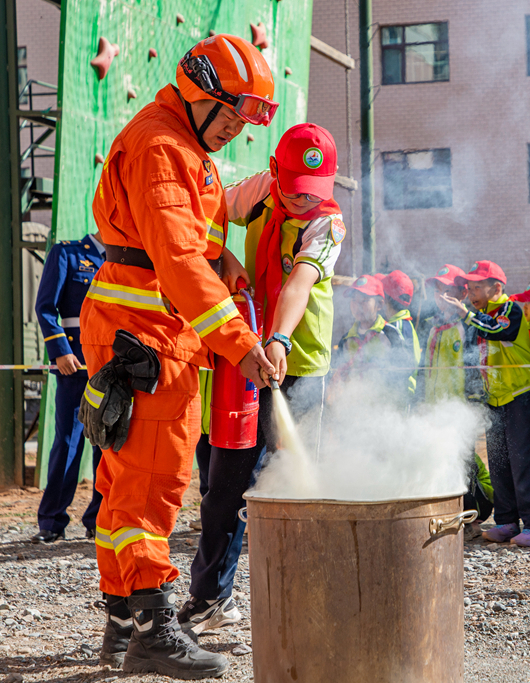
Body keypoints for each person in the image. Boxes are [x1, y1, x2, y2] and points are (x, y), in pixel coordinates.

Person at [80, 35, 278, 678]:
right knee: (153, 485)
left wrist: (226, 262)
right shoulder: (165, 146)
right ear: (198, 92)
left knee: (120, 484)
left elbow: (187, 241)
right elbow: (176, 260)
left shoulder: (180, 141)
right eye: (228, 115)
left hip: (139, 331)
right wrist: (240, 344)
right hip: (147, 338)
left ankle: (119, 622)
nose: (232, 131)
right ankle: (153, 631)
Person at [181, 123, 345, 632]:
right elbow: (204, 214)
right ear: (274, 171)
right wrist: (222, 256)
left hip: (298, 362)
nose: (302, 201)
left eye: (313, 193)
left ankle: (303, 602)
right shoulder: (257, 192)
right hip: (240, 352)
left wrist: (279, 338)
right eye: (293, 189)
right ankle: (210, 597)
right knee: (224, 481)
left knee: (290, 485)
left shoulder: (329, 223)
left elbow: (299, 283)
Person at [440, 261, 530, 547]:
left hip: (520, 393)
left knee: (524, 461)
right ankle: (507, 521)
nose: (471, 292)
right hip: (494, 397)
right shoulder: (479, 315)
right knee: (499, 462)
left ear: (497, 287)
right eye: (470, 287)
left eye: (477, 286)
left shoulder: (510, 309)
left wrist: (467, 314)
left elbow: (502, 332)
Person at [32, 232, 106, 544]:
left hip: (110, 363)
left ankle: (100, 520)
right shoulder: (68, 253)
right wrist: (59, 350)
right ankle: (52, 521)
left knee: (106, 444)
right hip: (74, 362)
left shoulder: (125, 258)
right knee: (67, 442)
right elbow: (46, 307)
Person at [420, 264, 491, 537]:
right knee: (441, 458)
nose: (441, 296)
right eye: (437, 290)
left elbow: (475, 365)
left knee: (465, 462)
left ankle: (472, 517)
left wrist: (472, 403)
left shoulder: (468, 325)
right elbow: (424, 367)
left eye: (446, 290)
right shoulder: (432, 325)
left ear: (461, 293)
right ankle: (447, 513)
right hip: (435, 406)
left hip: (460, 406)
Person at [334, 275, 403, 384]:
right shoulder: (346, 339)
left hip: (384, 399)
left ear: (379, 304)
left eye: (364, 300)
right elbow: (338, 371)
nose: (358, 306)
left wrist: (380, 368)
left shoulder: (390, 334)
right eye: (354, 300)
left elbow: (404, 369)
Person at [380, 270, 422, 397]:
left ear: (386, 298)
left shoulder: (394, 327)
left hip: (399, 393)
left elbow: (403, 364)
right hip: (407, 391)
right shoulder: (406, 323)